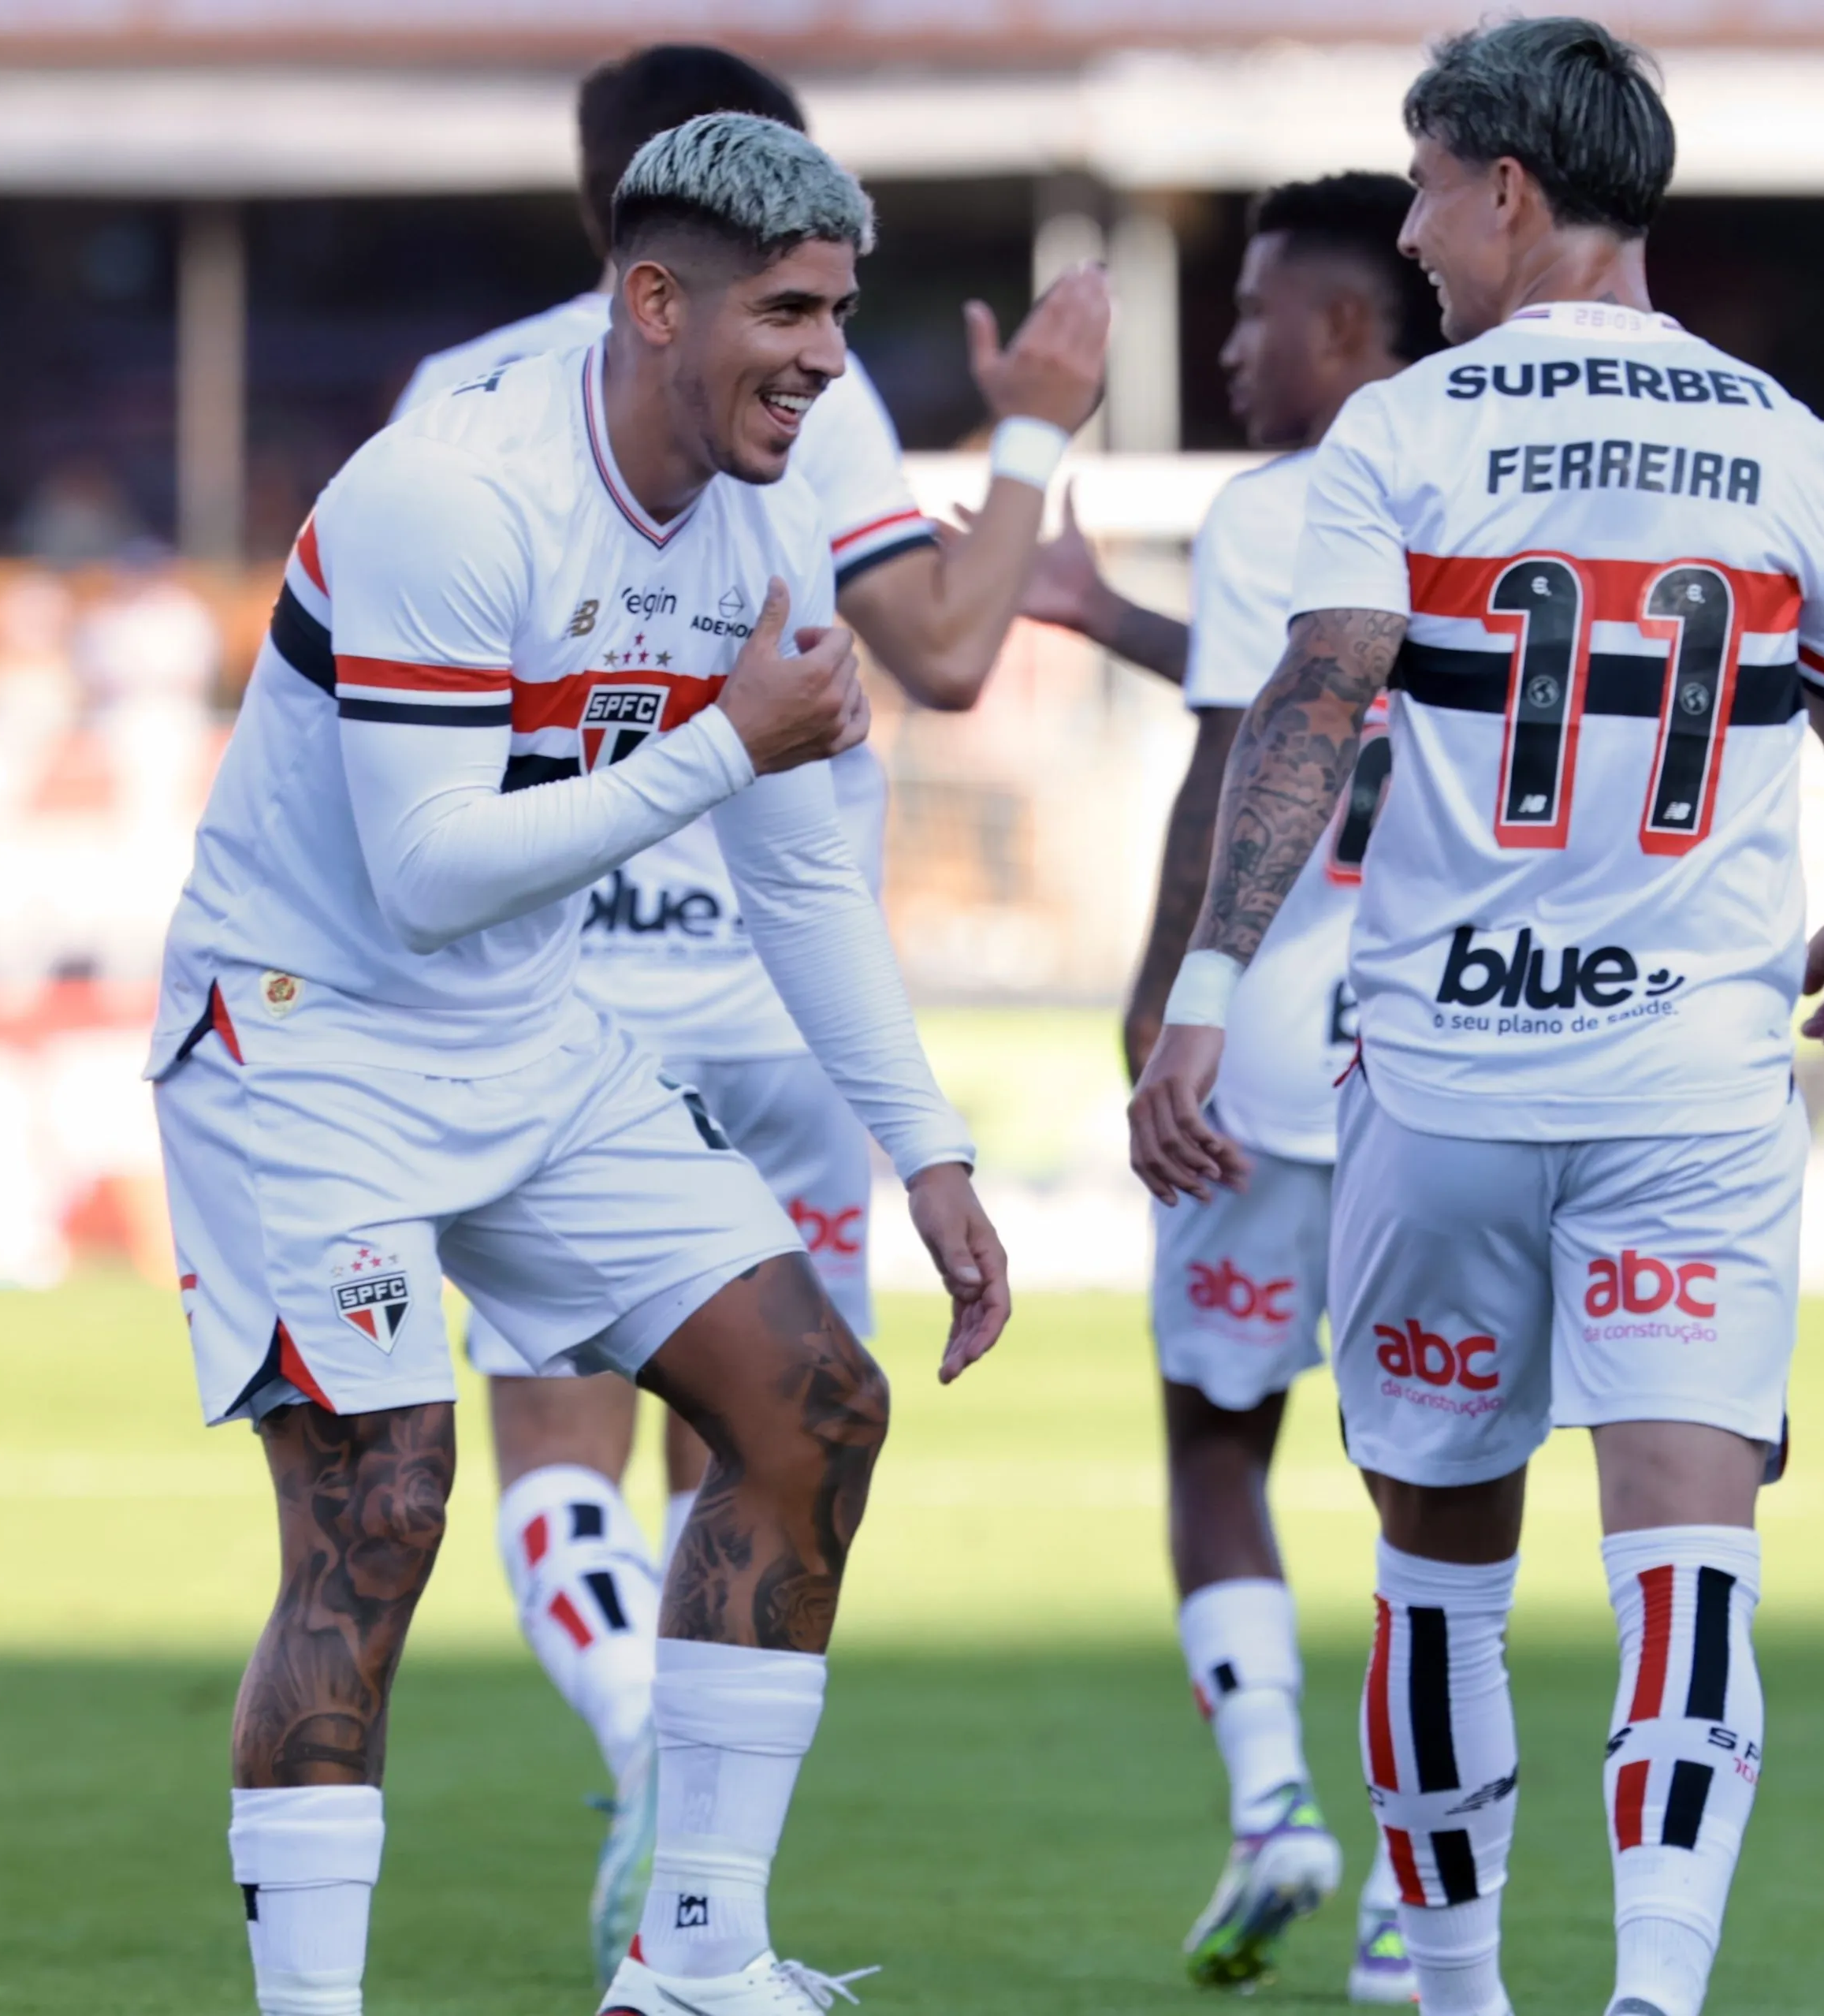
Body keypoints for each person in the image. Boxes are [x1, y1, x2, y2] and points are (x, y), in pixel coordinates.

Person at [152, 114, 1016, 2016]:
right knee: (380, 1506)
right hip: (304, 1042)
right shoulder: (447, 496)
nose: (823, 357)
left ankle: (696, 1961)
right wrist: (722, 741)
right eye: (786, 312)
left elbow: (803, 886)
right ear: (651, 301)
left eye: (842, 318)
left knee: (812, 1410)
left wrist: (929, 1152)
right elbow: (426, 873)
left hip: (530, 1040)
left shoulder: (760, 538)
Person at [1127, 23, 1824, 2016]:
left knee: (1435, 1569)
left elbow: (1310, 707)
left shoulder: (1401, 439)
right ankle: (1652, 1990)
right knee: (1684, 1559)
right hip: (1689, 1082)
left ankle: (1467, 1992)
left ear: (1503, 190)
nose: (1406, 237)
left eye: (1418, 191)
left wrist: (1207, 989)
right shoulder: (1784, 443)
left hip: (1448, 1077)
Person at [385, 44, 1108, 1981]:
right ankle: (696, 1880)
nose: (809, 331)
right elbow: (945, 651)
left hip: (551, 1001)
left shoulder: (455, 401)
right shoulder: (811, 385)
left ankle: (641, 1759)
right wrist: (1033, 432)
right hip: (763, 1011)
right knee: (769, 1447)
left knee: (555, 1446)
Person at [1016, 170, 1431, 2002]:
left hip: (1261, 1050)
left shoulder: (1291, 501)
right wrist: (1104, 615)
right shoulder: (1474, 477)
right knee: (1436, 1480)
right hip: (1441, 1050)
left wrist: (1152, 1006)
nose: (1233, 344)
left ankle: (1276, 1806)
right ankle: (1429, 1886)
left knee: (1215, 1439)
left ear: (1344, 329)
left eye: (1258, 312)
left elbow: (1239, 762)